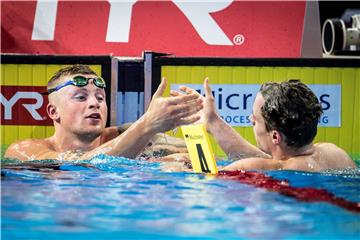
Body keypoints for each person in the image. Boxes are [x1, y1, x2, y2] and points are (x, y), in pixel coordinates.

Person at [4, 65, 202, 161]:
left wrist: (197, 128)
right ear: (53, 111)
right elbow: (78, 165)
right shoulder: (24, 149)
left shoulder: (122, 136)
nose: (94, 104)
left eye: (100, 98)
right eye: (81, 97)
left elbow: (195, 154)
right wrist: (148, 123)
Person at [174, 78, 356, 172]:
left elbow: (204, 175)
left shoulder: (271, 168)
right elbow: (271, 159)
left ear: (275, 136)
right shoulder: (335, 153)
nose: (250, 120)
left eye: (255, 118)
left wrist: (178, 164)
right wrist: (213, 122)